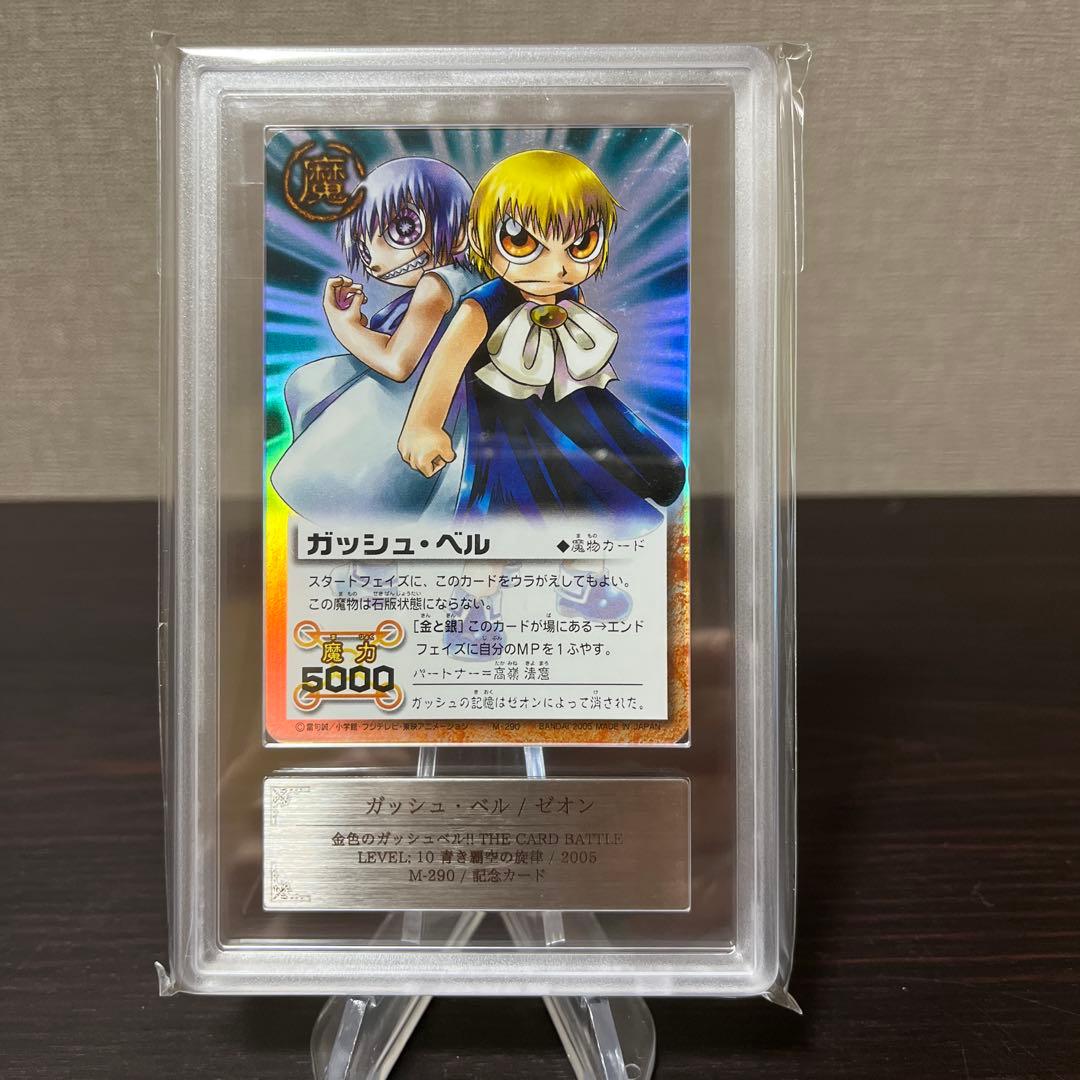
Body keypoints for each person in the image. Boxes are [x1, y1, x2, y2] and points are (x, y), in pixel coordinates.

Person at [396, 148, 685, 530]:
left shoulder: (571, 293)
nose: (558, 267)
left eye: (581, 244)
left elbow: (575, 344)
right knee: (549, 490)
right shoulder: (479, 308)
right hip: (510, 422)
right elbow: (444, 368)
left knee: (655, 471)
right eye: (521, 241)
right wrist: (423, 426)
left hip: (573, 401)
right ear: (481, 241)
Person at [271, 156, 481, 525]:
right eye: (364, 245)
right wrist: (360, 326)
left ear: (460, 230)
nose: (374, 258)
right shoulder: (475, 280)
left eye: (403, 228)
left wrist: (343, 325)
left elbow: (397, 363)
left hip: (421, 407)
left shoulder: (436, 285)